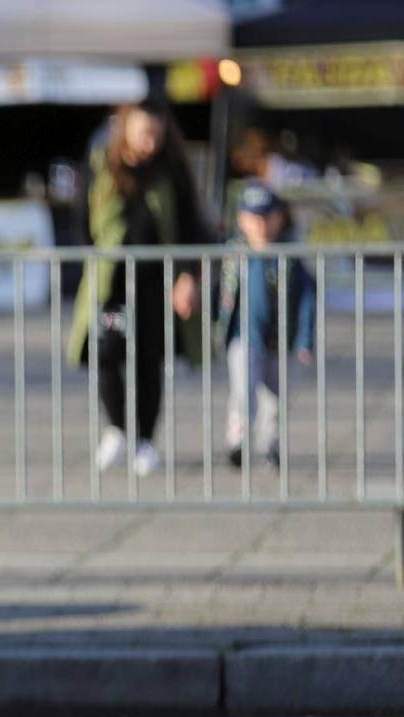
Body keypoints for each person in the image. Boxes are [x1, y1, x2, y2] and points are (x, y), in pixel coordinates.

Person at [69, 101, 212, 477]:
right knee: (108, 351)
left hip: (156, 284)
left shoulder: (171, 169)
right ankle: (117, 427)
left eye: (157, 135)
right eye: (144, 133)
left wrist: (188, 277)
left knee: (149, 361)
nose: (150, 142)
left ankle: (145, 440)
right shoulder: (102, 164)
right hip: (113, 284)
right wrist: (92, 261)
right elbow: (82, 218)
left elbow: (192, 224)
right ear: (126, 130)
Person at [218, 181, 316, 469]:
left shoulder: (289, 255)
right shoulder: (234, 253)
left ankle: (270, 444)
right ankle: (237, 440)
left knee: (276, 399)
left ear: (279, 218)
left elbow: (308, 297)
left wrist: (305, 340)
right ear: (241, 220)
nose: (260, 225)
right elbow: (219, 292)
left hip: (279, 341)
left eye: (266, 217)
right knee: (243, 391)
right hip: (244, 337)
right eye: (253, 217)